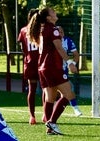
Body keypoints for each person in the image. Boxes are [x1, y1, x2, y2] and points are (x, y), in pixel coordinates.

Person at [27, 7, 78, 135]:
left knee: (50, 98)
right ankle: (52, 122)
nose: (55, 13)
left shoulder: (43, 29)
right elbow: (60, 48)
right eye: (53, 12)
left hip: (43, 68)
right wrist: (70, 62)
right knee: (69, 94)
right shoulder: (53, 29)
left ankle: (50, 129)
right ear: (48, 17)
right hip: (52, 67)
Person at [18, 9, 40, 125]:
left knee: (32, 89)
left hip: (29, 63)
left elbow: (22, 48)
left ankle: (32, 116)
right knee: (46, 89)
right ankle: (46, 115)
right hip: (42, 62)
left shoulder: (23, 30)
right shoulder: (41, 29)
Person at [58, 26, 82, 117]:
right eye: (58, 32)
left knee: (68, 89)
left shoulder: (68, 41)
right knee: (51, 92)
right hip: (51, 69)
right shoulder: (51, 41)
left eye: (62, 32)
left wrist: (72, 64)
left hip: (63, 70)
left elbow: (76, 55)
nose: (60, 34)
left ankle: (75, 108)